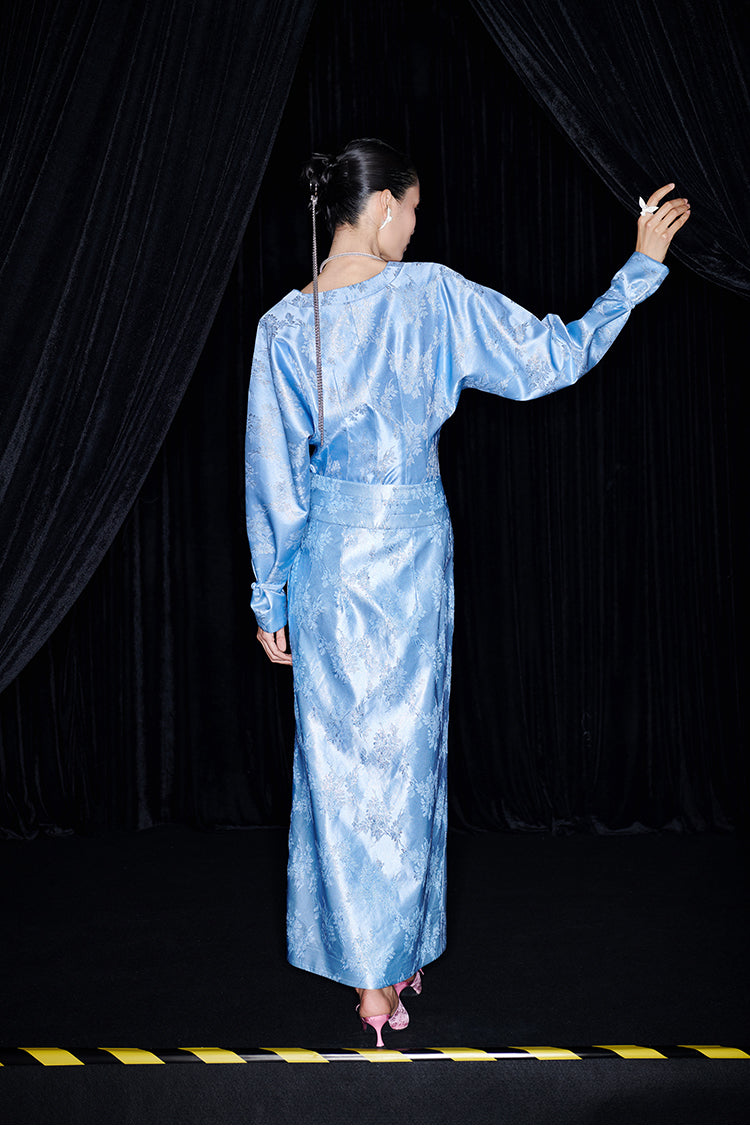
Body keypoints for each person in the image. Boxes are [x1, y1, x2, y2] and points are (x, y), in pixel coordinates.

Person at [244, 138, 690, 1047]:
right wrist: (637, 272)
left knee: (340, 767)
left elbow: (274, 478)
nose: (415, 227)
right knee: (408, 762)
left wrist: (270, 597)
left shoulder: (284, 325)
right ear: (382, 208)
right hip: (410, 554)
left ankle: (375, 973)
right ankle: (385, 968)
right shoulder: (433, 296)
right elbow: (551, 358)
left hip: (330, 564)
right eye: (412, 210)